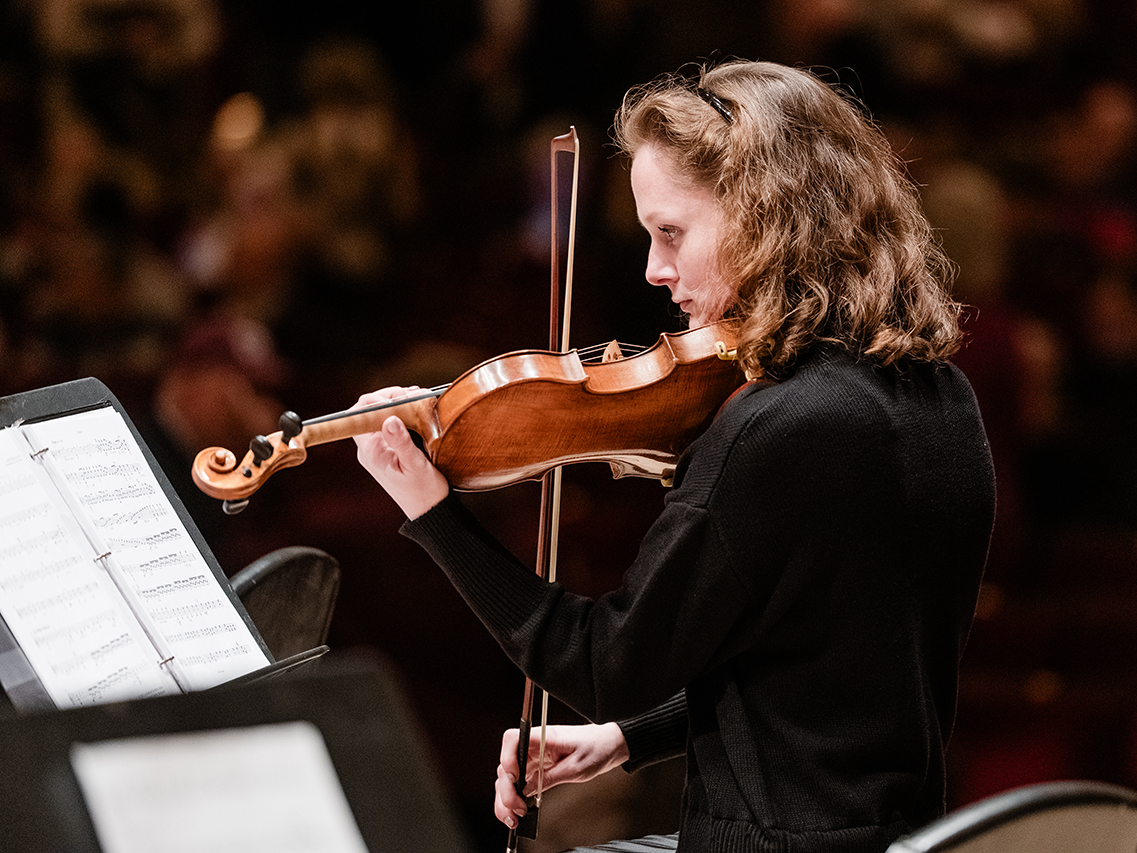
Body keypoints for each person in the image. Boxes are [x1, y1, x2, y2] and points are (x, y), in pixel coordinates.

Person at [353, 59, 996, 853]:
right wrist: (626, 739)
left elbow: (599, 662)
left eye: (671, 233)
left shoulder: (780, 428)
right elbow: (816, 674)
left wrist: (433, 510)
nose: (655, 271)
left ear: (767, 217)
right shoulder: (941, 397)